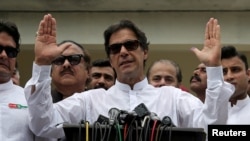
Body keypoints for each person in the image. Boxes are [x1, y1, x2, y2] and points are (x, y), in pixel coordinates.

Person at [24, 14, 234, 139]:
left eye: (130, 45)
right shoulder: (89, 100)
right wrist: (42, 64)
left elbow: (213, 127)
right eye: (115, 48)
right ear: (110, 58)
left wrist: (214, 69)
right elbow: (44, 125)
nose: (123, 51)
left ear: (144, 52)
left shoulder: (173, 98)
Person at [221, 45, 250, 124]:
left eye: (235, 70)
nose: (229, 77)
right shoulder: (211, 113)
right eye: (224, 72)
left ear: (248, 74)